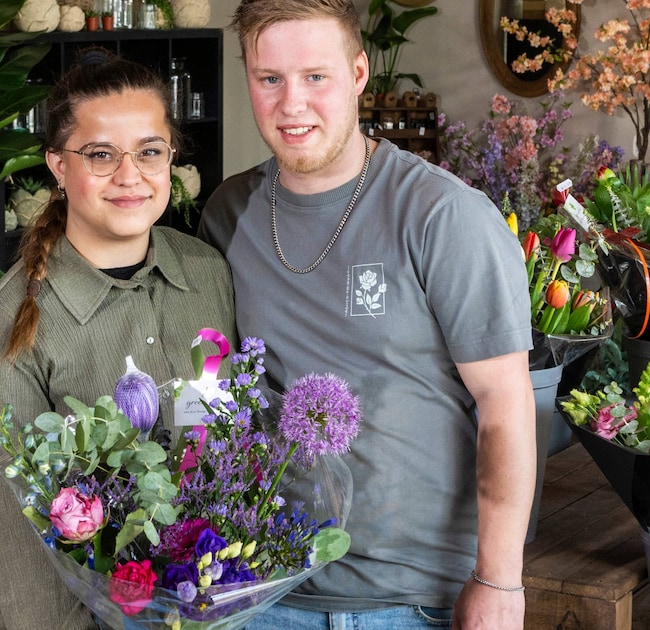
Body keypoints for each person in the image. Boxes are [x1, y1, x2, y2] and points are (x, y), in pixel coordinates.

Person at [198, 1, 535, 628]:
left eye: (315, 76)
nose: (292, 104)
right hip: (263, 588)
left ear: (358, 74)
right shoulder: (227, 213)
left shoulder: (442, 215)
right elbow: (212, 386)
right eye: (270, 78)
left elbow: (505, 402)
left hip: (411, 599)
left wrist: (499, 580)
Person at [0, 50, 236, 630]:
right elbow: (20, 546)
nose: (130, 175)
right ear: (58, 166)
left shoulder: (209, 275)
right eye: (101, 155)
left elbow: (226, 441)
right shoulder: (6, 323)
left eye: (150, 151)